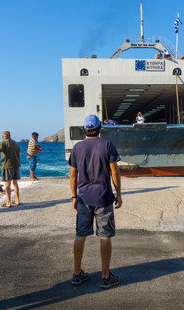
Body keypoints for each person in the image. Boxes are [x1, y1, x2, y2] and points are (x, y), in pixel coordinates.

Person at [68, 114, 123, 289]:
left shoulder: (77, 147)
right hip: (103, 197)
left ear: (84, 129)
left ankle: (77, 274)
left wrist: (74, 196)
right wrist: (119, 193)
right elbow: (114, 172)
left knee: (80, 234)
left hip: (84, 197)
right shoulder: (107, 145)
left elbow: (72, 175)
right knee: (104, 236)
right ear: (100, 128)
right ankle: (105, 277)